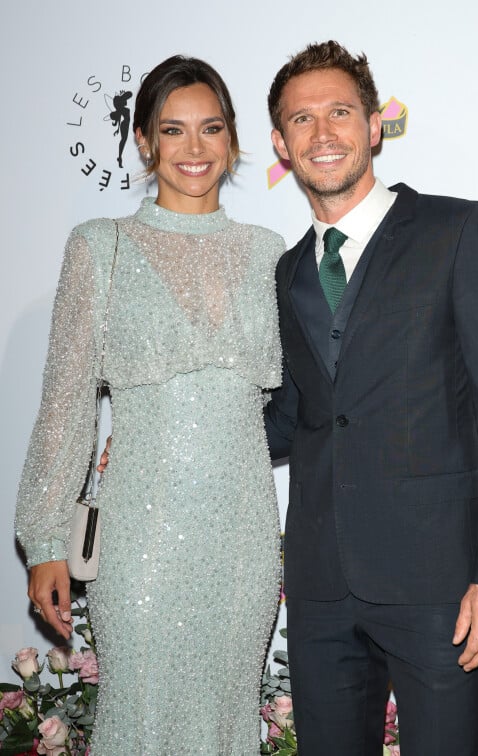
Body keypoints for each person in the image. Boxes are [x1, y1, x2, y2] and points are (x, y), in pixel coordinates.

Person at [264, 41, 478, 755]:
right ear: (280, 143)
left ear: (374, 125)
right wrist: (169, 432)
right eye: (302, 120)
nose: (322, 134)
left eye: (339, 113)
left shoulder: (457, 231)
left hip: (440, 586)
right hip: (322, 586)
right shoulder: (286, 272)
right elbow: (293, 420)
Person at [15, 55, 284, 755]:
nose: (194, 150)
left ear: (232, 141)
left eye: (211, 129)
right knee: (140, 719)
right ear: (142, 141)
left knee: (228, 723)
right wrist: (47, 541)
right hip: (142, 538)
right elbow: (66, 401)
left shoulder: (268, 255)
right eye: (173, 130)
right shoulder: (99, 248)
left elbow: (295, 408)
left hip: (244, 541)